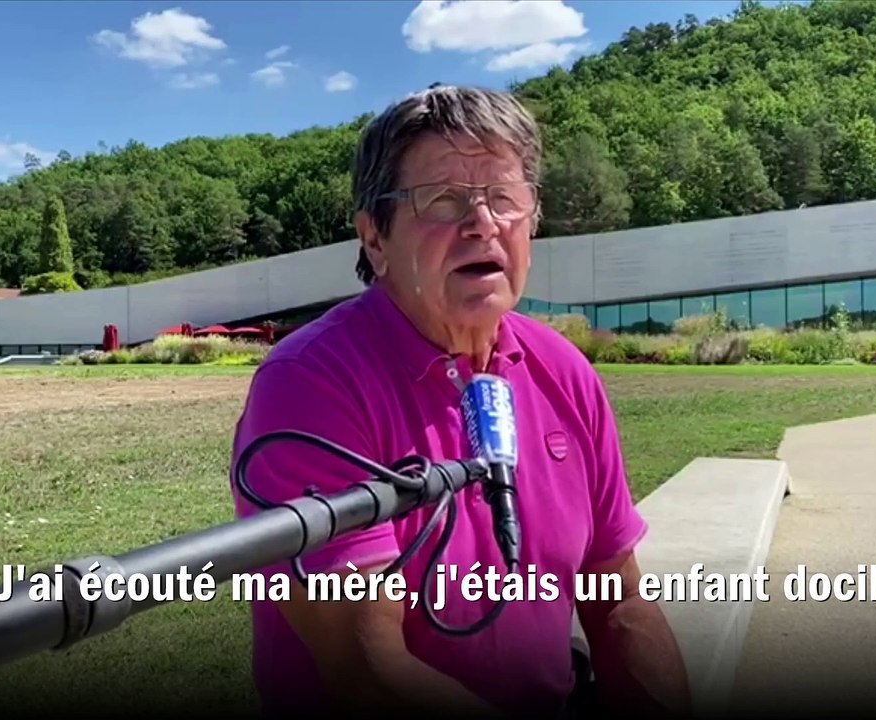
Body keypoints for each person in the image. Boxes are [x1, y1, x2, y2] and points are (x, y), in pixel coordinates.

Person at [230, 85, 691, 719]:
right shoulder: (311, 383)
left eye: (505, 198)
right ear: (375, 239)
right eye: (443, 201)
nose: (483, 223)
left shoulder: (565, 372)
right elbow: (368, 673)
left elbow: (618, 603)